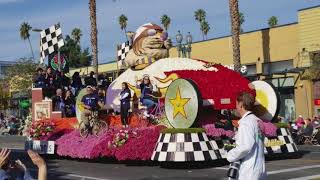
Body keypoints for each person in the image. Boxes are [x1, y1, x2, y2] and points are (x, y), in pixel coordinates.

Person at [226, 92, 266, 180]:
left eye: (236, 104)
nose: (235, 107)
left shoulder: (246, 122)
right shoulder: (258, 121)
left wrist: (230, 155)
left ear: (241, 105)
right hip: (259, 169)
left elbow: (245, 147)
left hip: (249, 171)